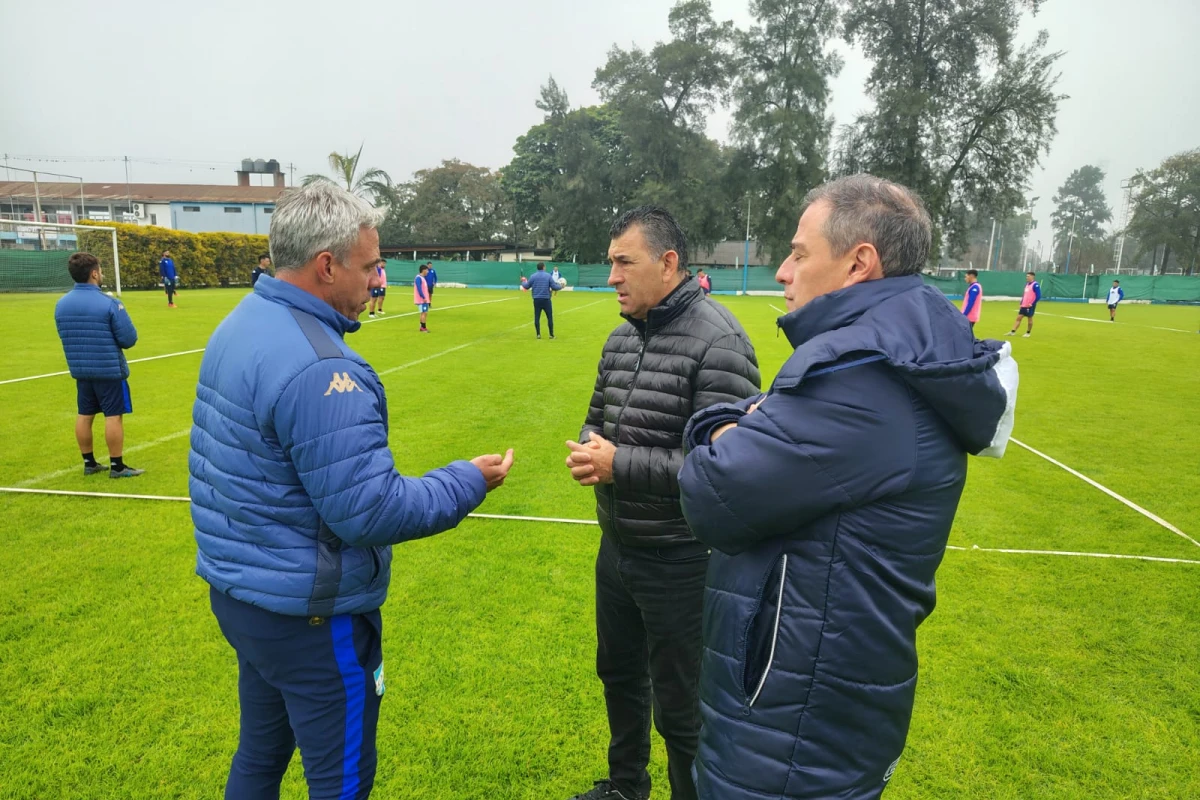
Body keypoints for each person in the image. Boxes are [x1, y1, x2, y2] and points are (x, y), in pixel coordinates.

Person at [677, 175, 1018, 800]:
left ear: (859, 262)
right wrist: (740, 424)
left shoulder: (860, 378)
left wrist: (722, 424)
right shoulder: (885, 357)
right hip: (818, 702)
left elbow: (712, 497)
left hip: (791, 722)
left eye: (799, 252)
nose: (783, 270)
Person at [189, 181, 515, 800]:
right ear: (326, 264)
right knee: (339, 782)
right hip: (308, 617)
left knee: (258, 757)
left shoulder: (244, 320)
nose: (378, 279)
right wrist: (468, 479)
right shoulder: (323, 367)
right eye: (369, 266)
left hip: (244, 596)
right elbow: (368, 511)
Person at [563, 206, 761, 800]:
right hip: (618, 547)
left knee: (680, 708)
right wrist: (591, 453)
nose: (612, 276)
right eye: (611, 263)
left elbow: (731, 472)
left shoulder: (720, 343)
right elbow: (596, 422)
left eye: (624, 262)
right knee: (619, 676)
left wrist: (617, 464)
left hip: (681, 558)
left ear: (668, 263)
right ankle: (627, 787)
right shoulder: (621, 338)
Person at [54, 252, 144, 478]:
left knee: (85, 413)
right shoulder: (110, 303)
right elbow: (128, 339)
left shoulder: (61, 304)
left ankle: (89, 462)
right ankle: (117, 466)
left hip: (81, 370)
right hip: (109, 369)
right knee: (113, 415)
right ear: (94, 273)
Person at [520, 262, 564, 339]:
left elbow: (526, 286)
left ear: (537, 268)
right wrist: (561, 286)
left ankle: (538, 334)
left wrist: (523, 281)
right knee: (549, 317)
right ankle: (551, 335)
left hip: (536, 299)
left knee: (537, 317)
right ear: (543, 267)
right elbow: (554, 287)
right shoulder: (548, 276)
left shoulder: (533, 276)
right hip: (546, 299)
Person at [1007, 271, 1041, 337]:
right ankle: (1012, 332)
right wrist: (1021, 302)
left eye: (1028, 276)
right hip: (1024, 305)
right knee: (1018, 318)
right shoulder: (1027, 284)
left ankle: (1028, 333)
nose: (1027, 277)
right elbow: (1025, 295)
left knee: (1029, 319)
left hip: (1030, 305)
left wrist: (1032, 303)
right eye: (1026, 276)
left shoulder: (1035, 285)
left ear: (1032, 276)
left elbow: (1038, 296)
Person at [962, 268, 983, 333]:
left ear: (971, 276)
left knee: (965, 335)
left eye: (966, 276)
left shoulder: (975, 287)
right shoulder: (973, 286)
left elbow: (971, 302)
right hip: (969, 316)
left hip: (969, 316)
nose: (965, 278)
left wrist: (964, 315)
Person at [414, 263, 431, 332]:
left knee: (424, 313)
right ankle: (423, 327)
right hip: (422, 300)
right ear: (423, 270)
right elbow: (419, 288)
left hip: (425, 299)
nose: (427, 271)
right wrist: (423, 297)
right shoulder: (418, 278)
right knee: (423, 313)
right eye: (427, 270)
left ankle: (422, 326)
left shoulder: (422, 278)